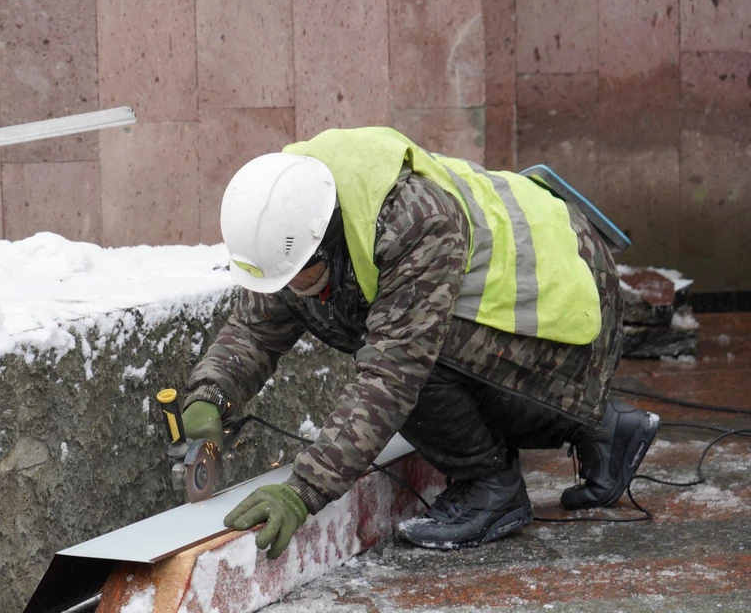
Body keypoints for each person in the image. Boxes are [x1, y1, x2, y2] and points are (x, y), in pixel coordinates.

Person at [180, 126, 659, 560]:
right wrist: (210, 397)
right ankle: (605, 429)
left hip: (574, 305)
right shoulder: (294, 218)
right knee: (407, 344)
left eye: (297, 276)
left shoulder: (411, 223)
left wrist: (302, 489)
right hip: (532, 319)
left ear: (326, 239)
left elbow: (393, 373)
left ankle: (491, 486)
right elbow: (255, 328)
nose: (290, 290)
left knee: (417, 362)